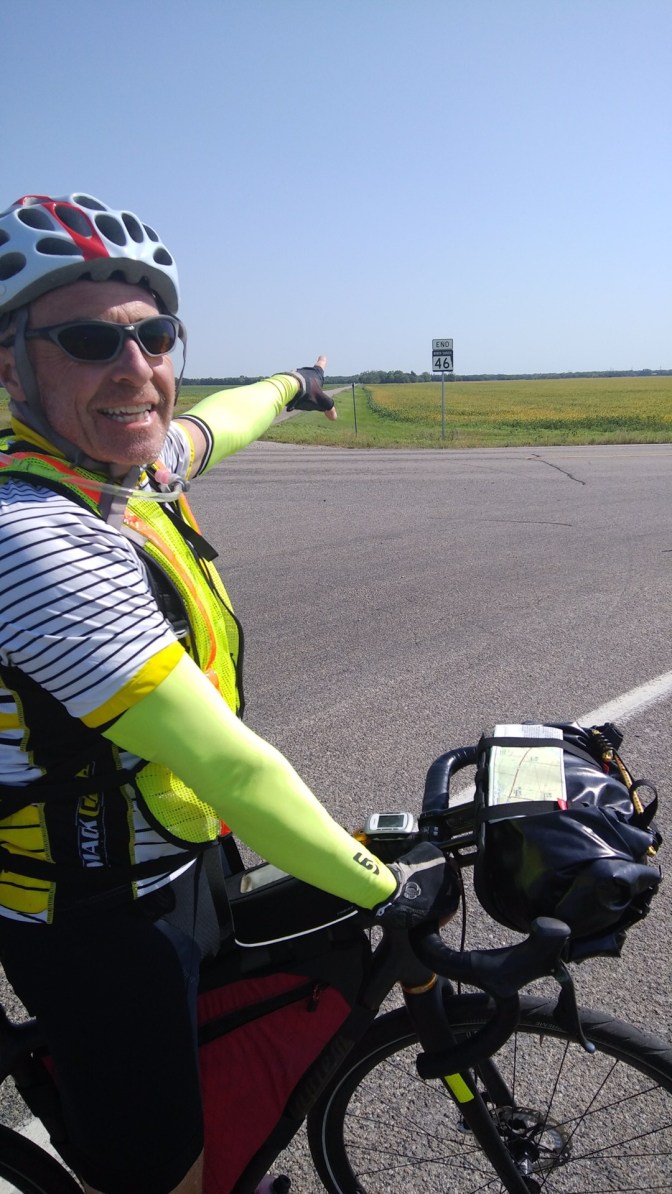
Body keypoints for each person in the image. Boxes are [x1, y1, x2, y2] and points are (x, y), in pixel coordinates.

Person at [0, 192, 457, 1194]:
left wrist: (296, 384)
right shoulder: (34, 538)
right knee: (165, 1168)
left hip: (183, 861)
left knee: (218, 1067)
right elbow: (231, 768)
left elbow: (216, 423)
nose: (136, 367)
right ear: (10, 366)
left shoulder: (125, 469)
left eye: (156, 334)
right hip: (97, 920)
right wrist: (386, 890)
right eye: (89, 340)